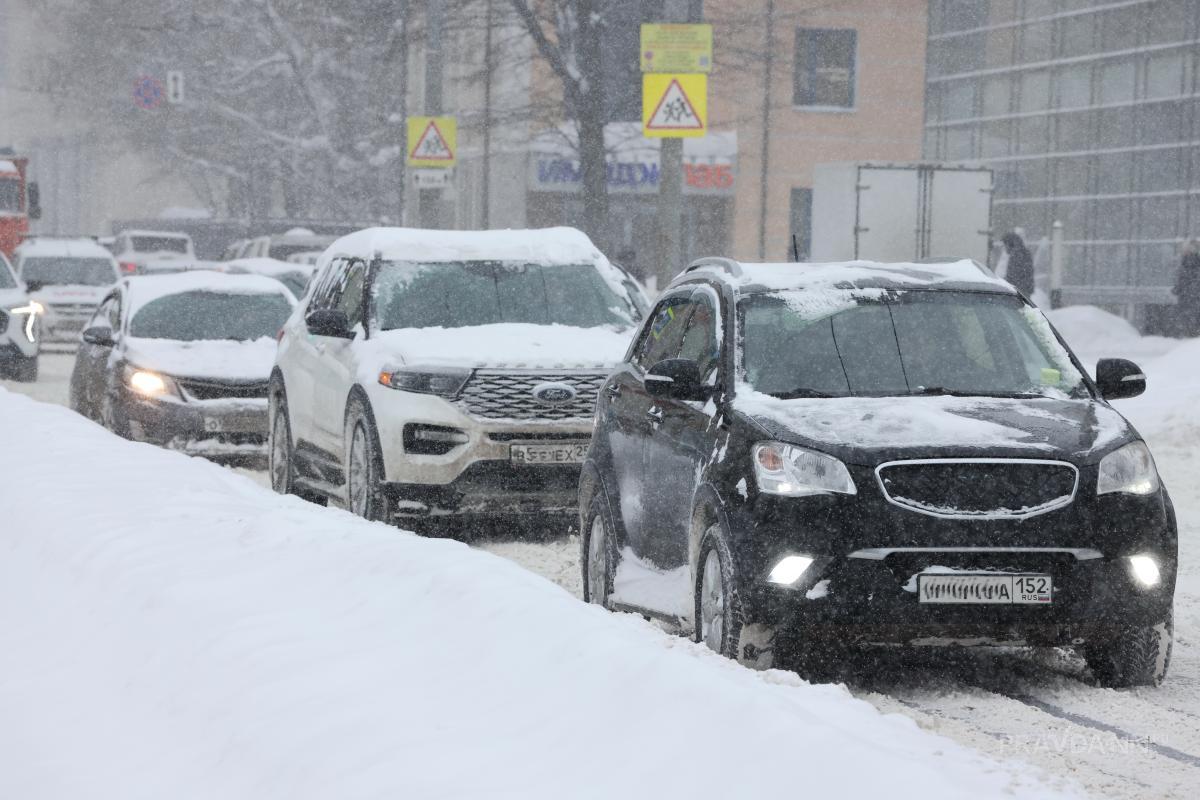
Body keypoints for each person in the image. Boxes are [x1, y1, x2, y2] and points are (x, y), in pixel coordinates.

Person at [1173, 239, 1200, 337]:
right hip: (1192, 296)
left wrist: (1178, 288)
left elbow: (1184, 278)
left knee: (1189, 320)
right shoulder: (1195, 260)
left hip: (1189, 296)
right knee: (1193, 319)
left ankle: (1191, 339)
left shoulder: (1188, 261)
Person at [1002, 231, 1035, 297]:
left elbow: (1013, 276)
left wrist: (1002, 284)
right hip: (1023, 291)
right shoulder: (1023, 252)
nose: (1004, 248)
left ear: (1010, 244)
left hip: (1018, 293)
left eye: (1005, 245)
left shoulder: (1017, 255)